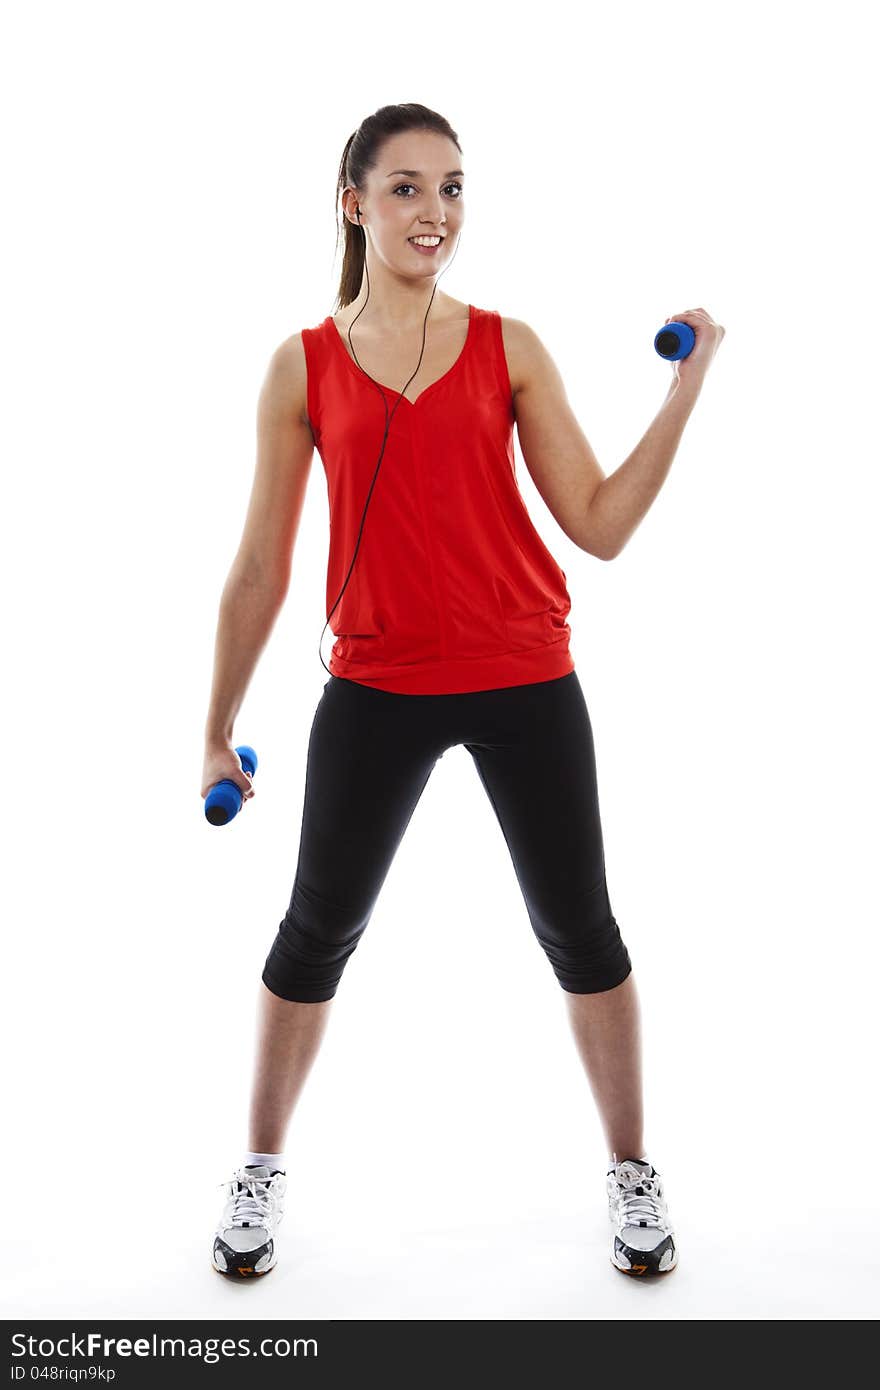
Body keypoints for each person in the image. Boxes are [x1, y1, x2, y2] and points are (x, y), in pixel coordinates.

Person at [201, 103, 724, 1283]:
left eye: (451, 188)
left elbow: (596, 527)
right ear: (354, 202)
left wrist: (682, 396)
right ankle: (259, 1170)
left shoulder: (510, 345)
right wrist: (216, 727)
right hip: (377, 684)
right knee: (314, 932)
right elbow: (258, 567)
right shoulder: (303, 364)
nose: (433, 212)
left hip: (524, 675)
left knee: (578, 928)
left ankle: (632, 1170)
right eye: (404, 188)